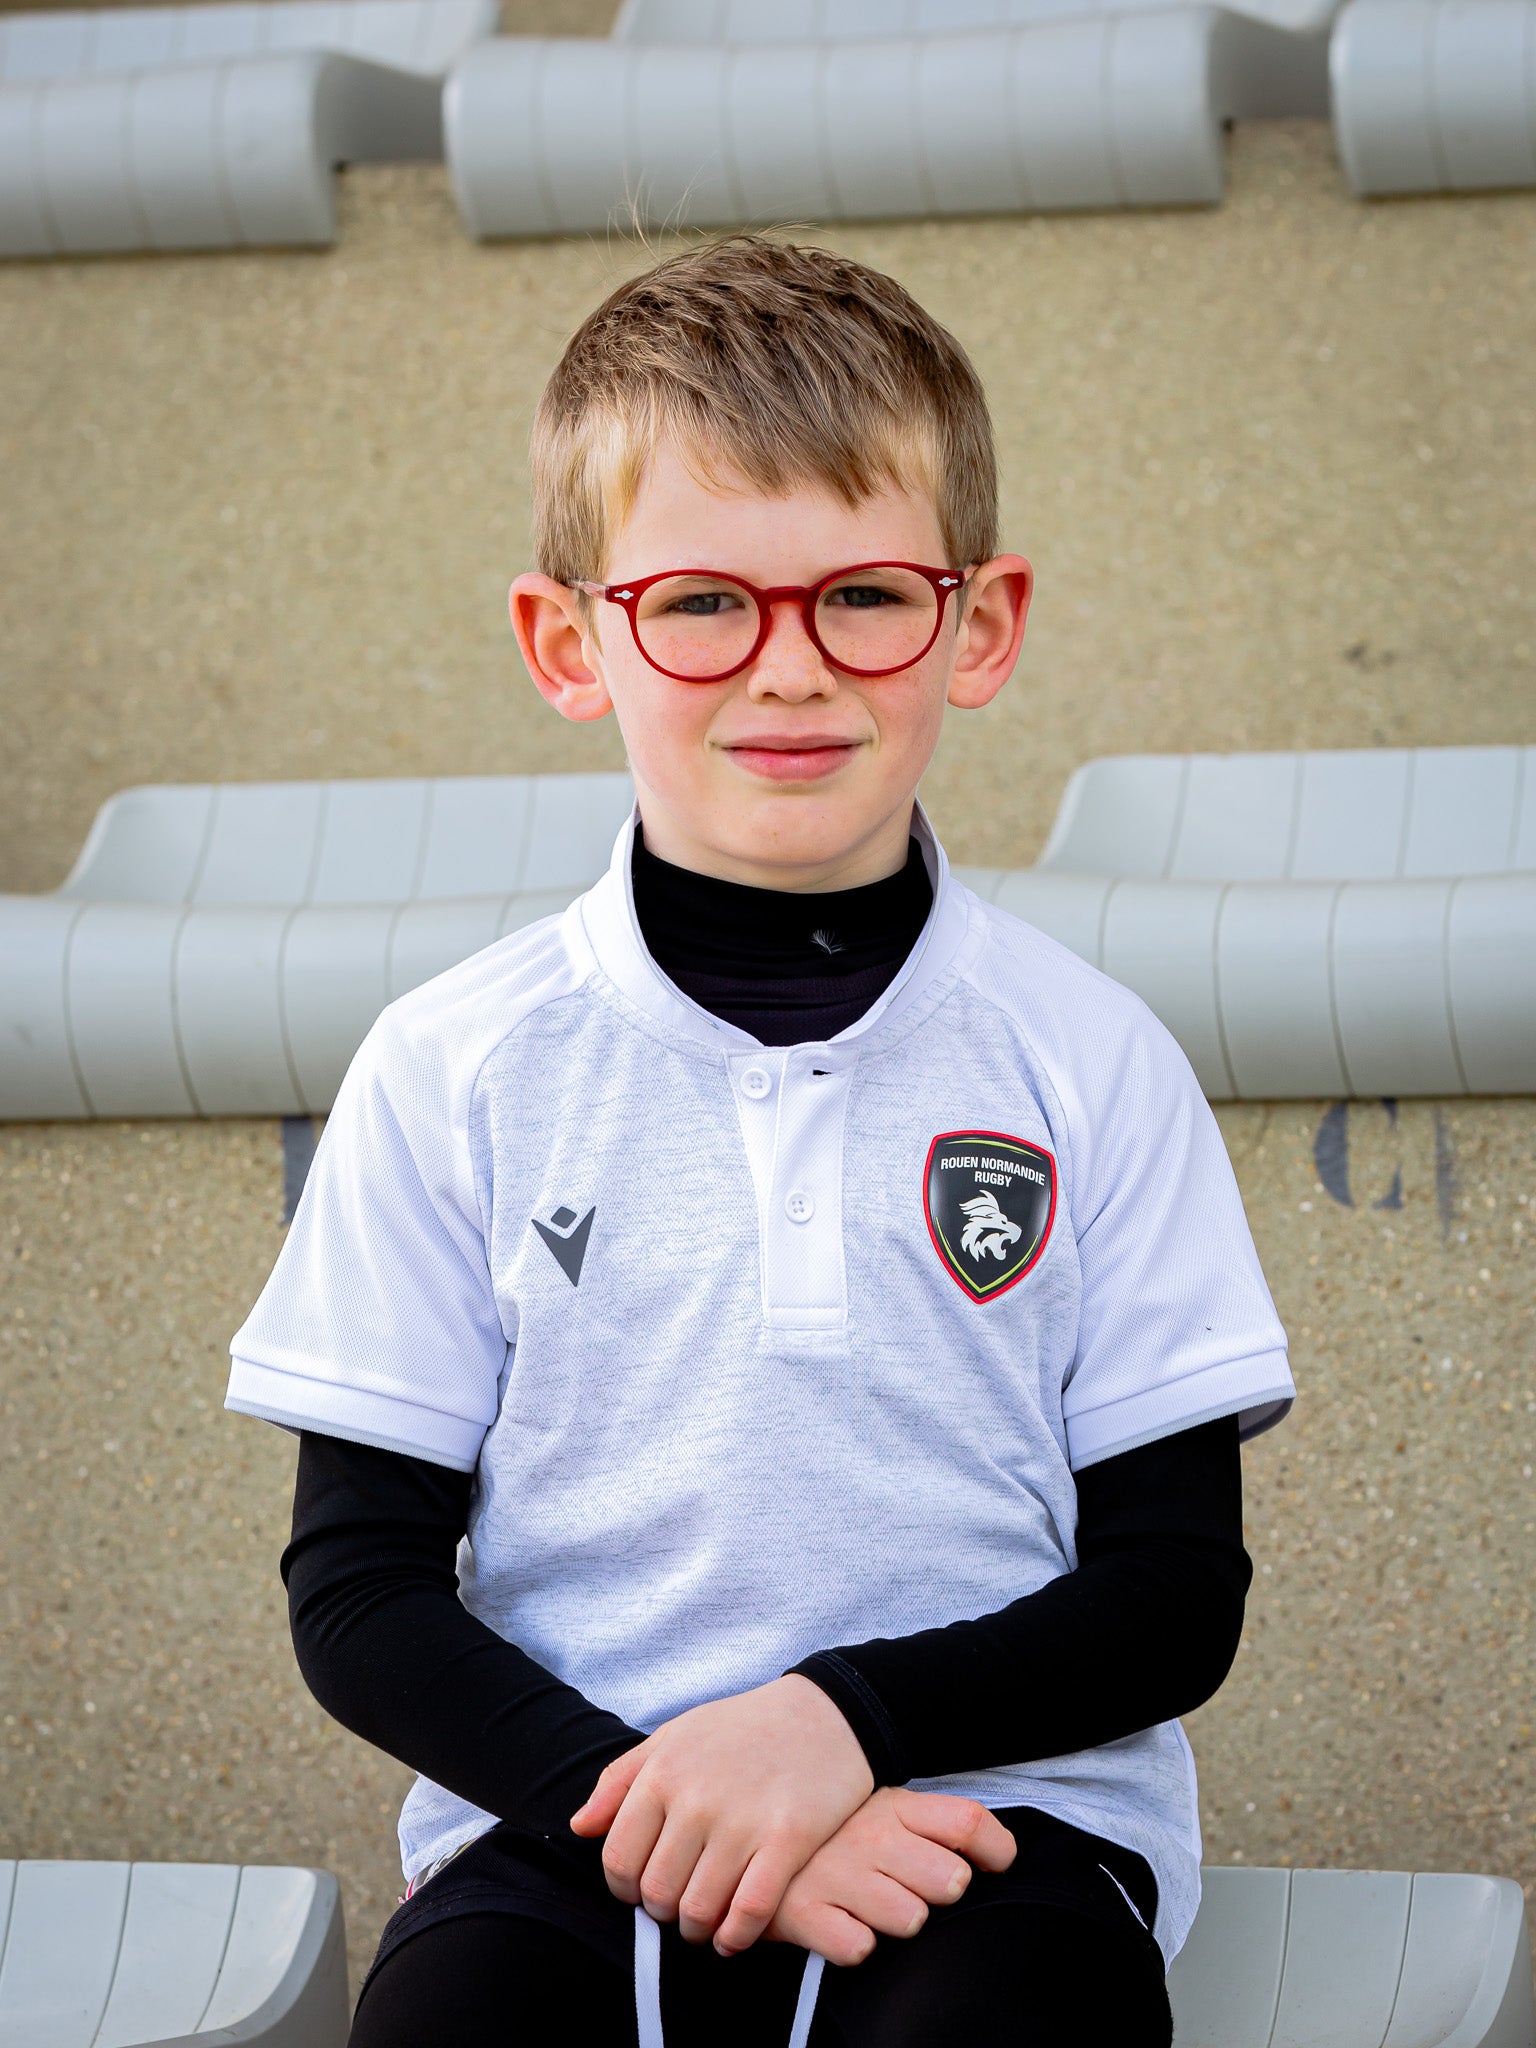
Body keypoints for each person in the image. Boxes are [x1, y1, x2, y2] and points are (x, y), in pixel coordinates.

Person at [225, 235, 1294, 2047]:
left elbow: (1175, 1593)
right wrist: (678, 1810)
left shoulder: (1090, 1061)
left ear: (981, 622)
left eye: (866, 596)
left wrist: (836, 1732)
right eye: (702, 603)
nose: (789, 670)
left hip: (994, 1824)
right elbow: (360, 1591)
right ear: (570, 641)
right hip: (563, 1818)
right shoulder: (454, 1066)